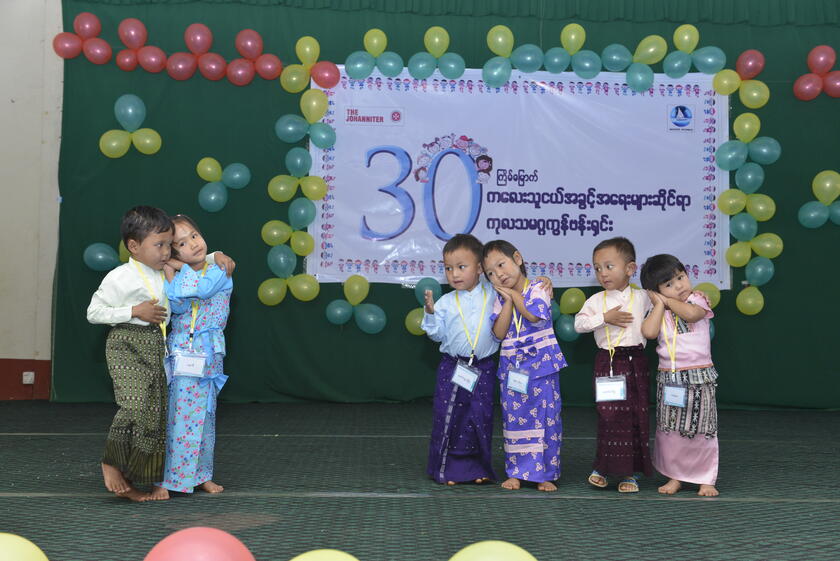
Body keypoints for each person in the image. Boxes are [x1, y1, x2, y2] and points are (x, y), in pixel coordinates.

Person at [87, 206, 175, 502]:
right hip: (126, 343)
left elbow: (200, 260)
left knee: (153, 415)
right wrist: (134, 311)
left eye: (169, 244)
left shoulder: (167, 273)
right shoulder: (119, 277)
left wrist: (218, 257)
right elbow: (94, 313)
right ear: (134, 246)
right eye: (159, 245)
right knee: (134, 406)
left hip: (156, 345)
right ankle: (110, 462)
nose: (166, 251)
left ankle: (136, 479)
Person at [157, 214, 233, 498]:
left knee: (206, 417)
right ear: (174, 250)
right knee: (181, 416)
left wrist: (177, 267)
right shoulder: (183, 275)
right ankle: (174, 478)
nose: (192, 244)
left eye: (194, 236)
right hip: (182, 351)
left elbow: (200, 289)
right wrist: (170, 272)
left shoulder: (220, 270)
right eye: (181, 244)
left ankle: (202, 475)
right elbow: (175, 304)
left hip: (209, 353)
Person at [483, 240, 567, 492]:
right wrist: (507, 301)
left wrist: (515, 296)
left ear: (517, 258)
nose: (498, 274)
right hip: (512, 370)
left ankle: (544, 474)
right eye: (491, 273)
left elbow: (534, 315)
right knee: (514, 420)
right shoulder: (499, 300)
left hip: (542, 367)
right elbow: (498, 332)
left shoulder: (539, 287)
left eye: (501, 264)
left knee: (546, 419)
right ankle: (516, 472)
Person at [574, 237, 653, 493]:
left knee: (636, 415)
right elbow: (579, 325)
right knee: (608, 416)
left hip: (636, 361)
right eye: (597, 268)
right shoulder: (596, 301)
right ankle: (602, 468)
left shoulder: (643, 297)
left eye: (609, 266)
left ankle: (631, 473)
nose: (602, 273)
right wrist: (604, 318)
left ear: (630, 269)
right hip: (607, 361)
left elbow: (665, 303)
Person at [421, 234, 498, 485]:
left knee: (480, 417)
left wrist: (543, 281)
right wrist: (431, 313)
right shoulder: (445, 302)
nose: (454, 274)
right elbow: (437, 335)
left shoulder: (494, 293)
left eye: (461, 267)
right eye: (448, 268)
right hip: (454, 367)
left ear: (479, 269)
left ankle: (477, 469)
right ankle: (447, 469)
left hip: (484, 367)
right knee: (450, 417)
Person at [640, 254, 719, 497]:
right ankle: (675, 476)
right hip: (670, 379)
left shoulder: (697, 299)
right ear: (655, 291)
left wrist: (667, 300)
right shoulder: (660, 309)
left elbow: (693, 315)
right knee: (671, 430)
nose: (679, 286)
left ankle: (706, 478)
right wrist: (659, 304)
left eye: (681, 277)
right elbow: (649, 332)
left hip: (699, 377)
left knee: (702, 428)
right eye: (669, 284)